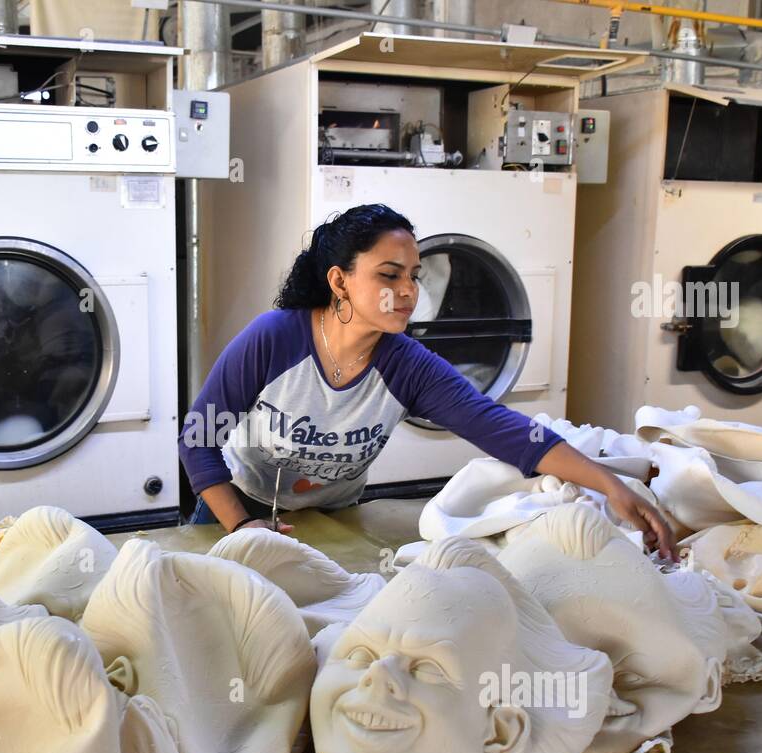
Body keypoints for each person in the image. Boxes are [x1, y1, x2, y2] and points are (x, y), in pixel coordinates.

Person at [178, 203, 673, 557]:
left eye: (414, 275)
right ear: (338, 281)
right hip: (237, 507)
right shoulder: (275, 339)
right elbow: (198, 438)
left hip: (334, 513)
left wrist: (610, 484)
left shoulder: (405, 364)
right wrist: (242, 526)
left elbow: (500, 427)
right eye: (389, 275)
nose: (408, 291)